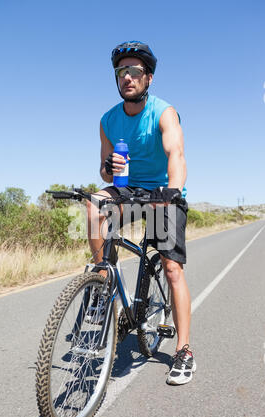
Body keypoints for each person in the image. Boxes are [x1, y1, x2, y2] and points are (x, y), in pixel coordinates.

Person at [86, 41, 196, 385]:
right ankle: (104, 282)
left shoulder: (164, 112)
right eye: (122, 72)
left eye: (134, 71)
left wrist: (172, 192)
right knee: (93, 204)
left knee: (172, 268)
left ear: (147, 78)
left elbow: (175, 154)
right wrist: (107, 168)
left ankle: (184, 349)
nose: (127, 77)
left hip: (164, 190)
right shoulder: (108, 120)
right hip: (129, 189)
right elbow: (106, 174)